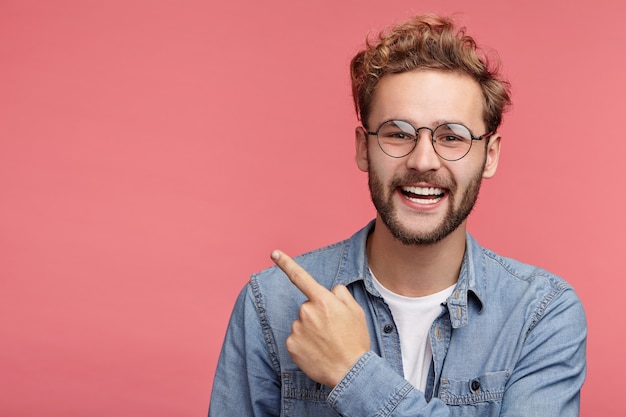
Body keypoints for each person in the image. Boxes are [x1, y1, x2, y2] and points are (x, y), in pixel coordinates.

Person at [208, 14, 586, 417]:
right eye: (398, 133)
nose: (423, 161)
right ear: (362, 148)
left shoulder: (541, 314)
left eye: (452, 137)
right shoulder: (272, 304)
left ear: (489, 155)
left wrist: (353, 373)